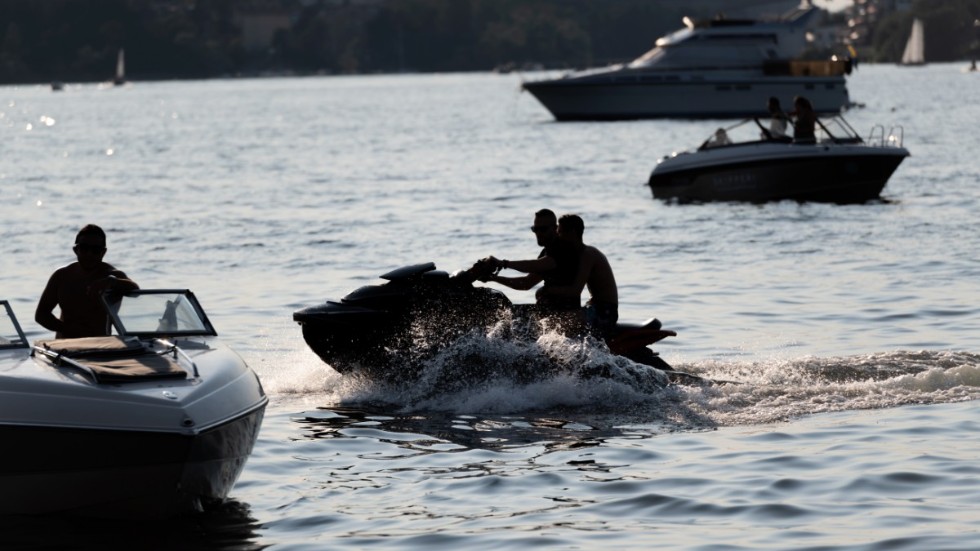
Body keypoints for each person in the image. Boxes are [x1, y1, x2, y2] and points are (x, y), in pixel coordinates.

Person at [35, 224, 139, 339]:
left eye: (95, 250)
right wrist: (67, 329)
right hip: (65, 347)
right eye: (84, 248)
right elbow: (41, 315)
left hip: (101, 347)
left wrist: (111, 282)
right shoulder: (61, 276)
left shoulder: (113, 275)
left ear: (103, 252)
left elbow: (135, 290)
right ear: (76, 250)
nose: (89, 254)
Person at [481, 209, 582, 312]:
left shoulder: (563, 248)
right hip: (547, 312)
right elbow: (526, 283)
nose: (538, 233)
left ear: (555, 228)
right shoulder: (546, 252)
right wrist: (493, 278)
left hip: (564, 314)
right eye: (535, 229)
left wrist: (503, 263)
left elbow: (536, 265)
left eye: (543, 229)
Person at [545, 214, 619, 339]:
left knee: (552, 324)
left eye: (561, 232)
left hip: (604, 312)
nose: (558, 236)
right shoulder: (577, 255)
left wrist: (547, 290)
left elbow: (575, 290)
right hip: (595, 307)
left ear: (573, 232)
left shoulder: (587, 254)